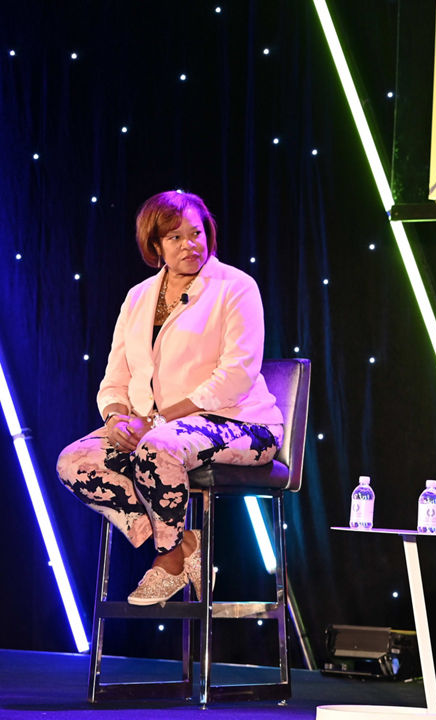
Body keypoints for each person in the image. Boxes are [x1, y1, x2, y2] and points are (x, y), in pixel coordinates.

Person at [57, 191, 283, 606]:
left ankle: (168, 562)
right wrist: (116, 418)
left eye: (196, 233)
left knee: (157, 447)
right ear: (155, 245)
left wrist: (158, 422)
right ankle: (181, 547)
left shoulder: (236, 287)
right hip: (154, 430)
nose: (190, 244)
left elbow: (235, 375)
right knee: (75, 462)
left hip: (241, 425)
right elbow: (115, 376)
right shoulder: (138, 297)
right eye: (175, 237)